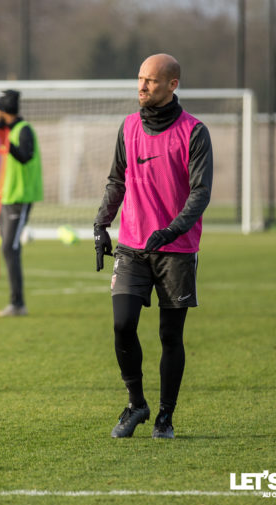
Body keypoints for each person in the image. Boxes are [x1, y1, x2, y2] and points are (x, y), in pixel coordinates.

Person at [94, 54, 213, 439]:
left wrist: (171, 230)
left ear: (172, 85)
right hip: (131, 247)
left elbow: (200, 194)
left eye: (151, 81)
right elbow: (117, 180)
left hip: (176, 250)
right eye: (140, 79)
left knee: (169, 336)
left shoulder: (195, 132)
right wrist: (101, 223)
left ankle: (165, 415)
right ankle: (136, 404)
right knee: (122, 324)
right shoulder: (128, 126)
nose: (142, 87)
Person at [0, 89, 43, 317]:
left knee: (9, 248)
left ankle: (17, 304)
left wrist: (5, 140)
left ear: (3, 112)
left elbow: (24, 156)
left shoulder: (24, 130)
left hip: (20, 198)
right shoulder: (8, 131)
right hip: (6, 197)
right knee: (8, 247)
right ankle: (16, 302)